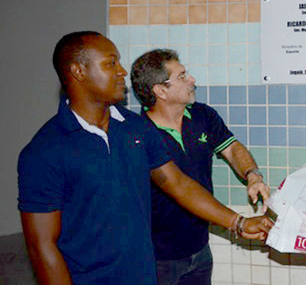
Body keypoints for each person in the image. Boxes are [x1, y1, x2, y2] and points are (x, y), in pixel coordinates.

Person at [17, 31, 273, 285]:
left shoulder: (135, 129)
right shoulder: (46, 151)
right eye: (110, 63)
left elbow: (179, 184)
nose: (122, 72)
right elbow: (41, 247)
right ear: (78, 72)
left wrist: (239, 223)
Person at [130, 49, 270, 285]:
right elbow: (180, 188)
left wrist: (252, 175)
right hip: (157, 257)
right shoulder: (138, 135)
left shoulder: (203, 115)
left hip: (199, 248)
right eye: (182, 76)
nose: (192, 80)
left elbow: (233, 149)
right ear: (160, 90)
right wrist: (239, 223)